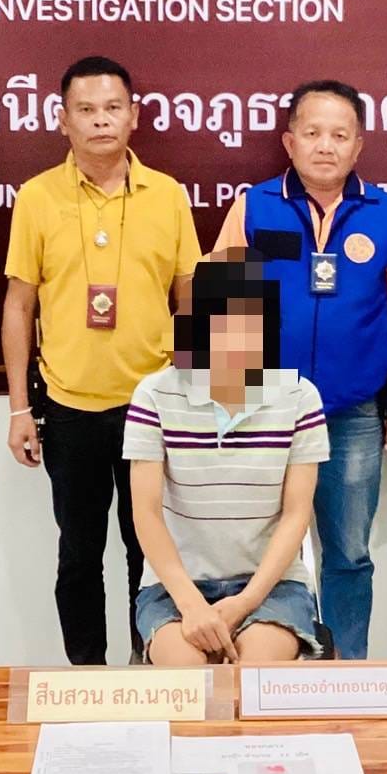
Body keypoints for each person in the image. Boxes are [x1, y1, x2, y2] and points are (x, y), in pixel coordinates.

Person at [214, 79, 387, 658]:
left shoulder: (386, 213)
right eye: (312, 133)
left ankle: (344, 670)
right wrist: (227, 407)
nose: (325, 146)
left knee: (349, 554)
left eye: (339, 134)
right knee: (256, 553)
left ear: (358, 145)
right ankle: (263, 668)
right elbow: (223, 304)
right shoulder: (254, 207)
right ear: (290, 142)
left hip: (351, 413)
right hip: (263, 411)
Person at [2, 55, 201, 665]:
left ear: (134, 116)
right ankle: (87, 675)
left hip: (154, 407)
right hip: (70, 408)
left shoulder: (167, 196)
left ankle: (151, 665)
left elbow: (190, 297)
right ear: (63, 120)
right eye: (85, 110)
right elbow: (18, 306)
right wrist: (18, 409)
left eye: (113, 108)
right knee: (80, 552)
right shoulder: (37, 197)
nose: (100, 121)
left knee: (152, 552)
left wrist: (196, 396)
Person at [126, 250, 330, 664]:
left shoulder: (300, 398)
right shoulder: (154, 395)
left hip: (272, 587)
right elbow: (146, 512)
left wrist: (245, 602)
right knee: (188, 679)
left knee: (255, 673)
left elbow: (297, 515)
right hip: (176, 588)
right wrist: (192, 605)